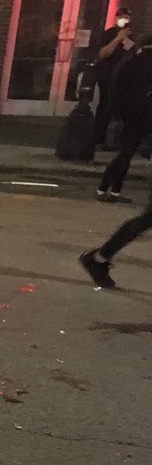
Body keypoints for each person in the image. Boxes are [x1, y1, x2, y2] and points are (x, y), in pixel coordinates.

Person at [80, 46, 152, 288]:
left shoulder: (138, 56)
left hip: (136, 122)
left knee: (148, 217)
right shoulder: (142, 60)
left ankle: (100, 258)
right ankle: (99, 257)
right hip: (137, 122)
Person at [96, 36, 152, 203]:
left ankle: (114, 191)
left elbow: (117, 85)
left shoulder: (130, 61)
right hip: (143, 114)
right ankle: (105, 188)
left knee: (126, 153)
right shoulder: (146, 64)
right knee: (126, 154)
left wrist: (117, 111)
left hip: (129, 114)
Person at [94, 7, 136, 148]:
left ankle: (113, 141)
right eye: (122, 16)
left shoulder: (131, 36)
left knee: (119, 109)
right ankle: (98, 137)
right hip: (107, 76)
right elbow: (103, 53)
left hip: (123, 78)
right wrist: (118, 38)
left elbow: (132, 54)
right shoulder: (109, 34)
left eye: (127, 17)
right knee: (105, 106)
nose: (124, 19)